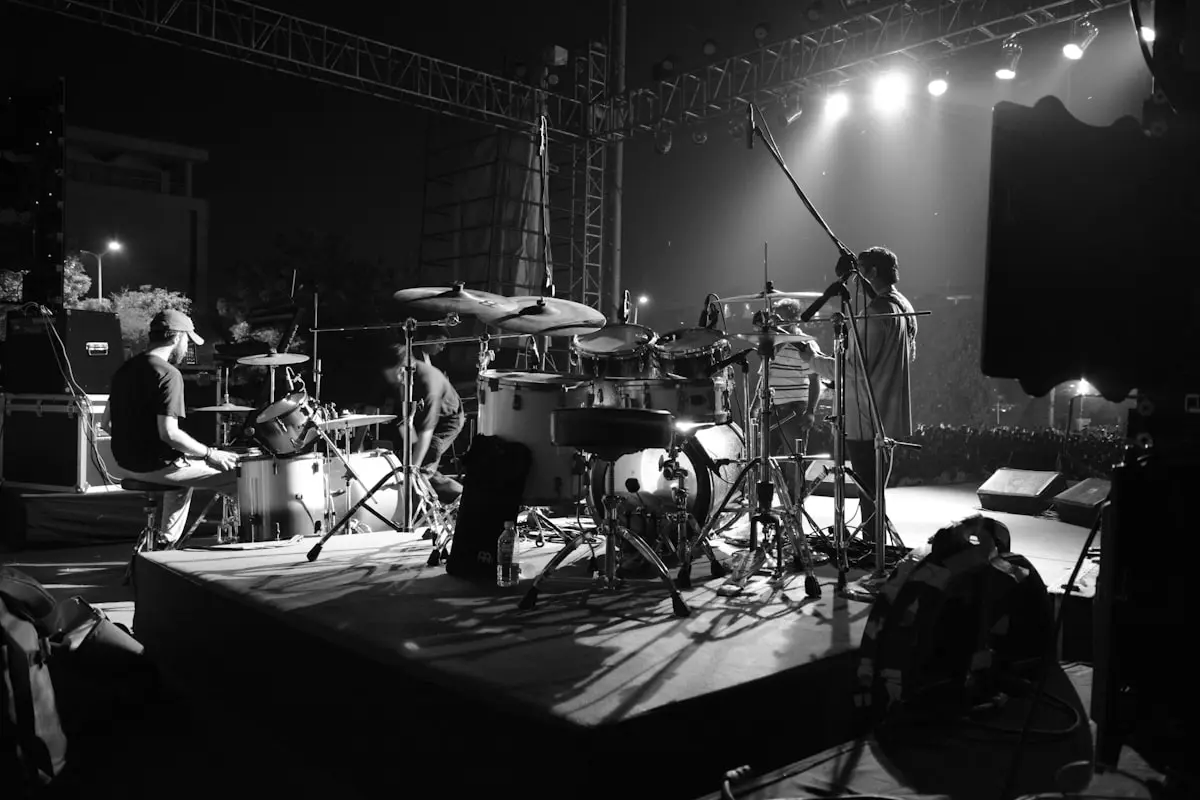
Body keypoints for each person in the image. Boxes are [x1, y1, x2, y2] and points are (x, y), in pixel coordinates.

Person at [800, 247, 917, 540]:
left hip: (865, 416)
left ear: (872, 272)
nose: (857, 278)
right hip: (889, 415)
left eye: (862, 270)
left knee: (868, 492)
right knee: (876, 491)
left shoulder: (873, 314)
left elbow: (850, 370)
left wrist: (812, 359)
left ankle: (872, 551)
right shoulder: (903, 307)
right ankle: (876, 548)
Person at [102, 310, 240, 546]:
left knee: (181, 475)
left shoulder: (124, 370)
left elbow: (106, 424)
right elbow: (170, 433)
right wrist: (211, 453)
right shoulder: (168, 374)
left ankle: (167, 542)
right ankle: (252, 539)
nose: (187, 349)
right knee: (239, 476)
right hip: (155, 467)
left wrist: (138, 443)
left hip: (125, 463)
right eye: (188, 341)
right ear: (177, 338)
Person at [381, 335, 465, 503]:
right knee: (414, 466)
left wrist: (413, 467)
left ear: (406, 369)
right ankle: (461, 498)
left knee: (422, 469)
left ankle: (465, 502)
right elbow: (401, 420)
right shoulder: (394, 374)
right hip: (415, 417)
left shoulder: (428, 383)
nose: (394, 381)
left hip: (446, 420)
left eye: (397, 376)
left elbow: (427, 431)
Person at [766, 298, 824, 470]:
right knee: (765, 463)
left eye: (782, 320)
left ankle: (795, 497)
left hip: (794, 410)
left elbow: (815, 380)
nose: (777, 323)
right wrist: (755, 407)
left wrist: (811, 411)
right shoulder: (771, 342)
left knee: (793, 464)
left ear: (794, 319)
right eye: (776, 319)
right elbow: (766, 377)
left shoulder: (805, 344)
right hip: (770, 409)